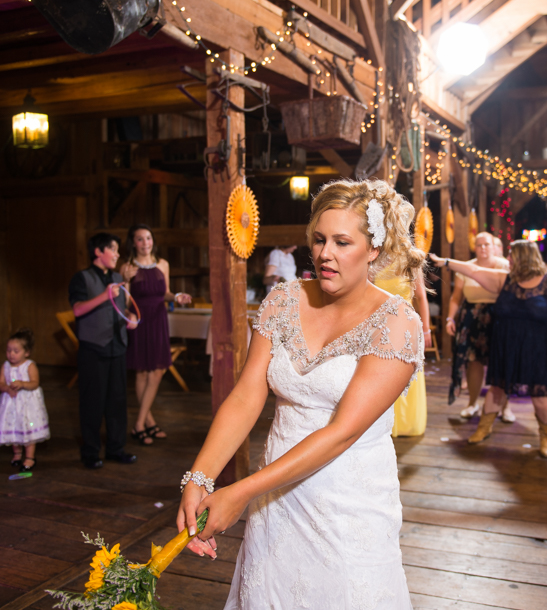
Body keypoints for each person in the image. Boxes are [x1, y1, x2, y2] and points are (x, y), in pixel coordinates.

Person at [177, 179, 423, 609]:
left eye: (342, 242)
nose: (325, 253)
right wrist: (200, 478)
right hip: (275, 496)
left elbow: (342, 432)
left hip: (348, 503)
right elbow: (246, 396)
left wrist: (240, 492)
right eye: (319, 239)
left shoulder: (397, 323)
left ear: (374, 251)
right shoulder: (283, 301)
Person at [432, 241, 547, 455]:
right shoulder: (505, 280)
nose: (508, 259)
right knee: (497, 389)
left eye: (513, 255)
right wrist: (445, 262)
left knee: (542, 397)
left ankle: (546, 436)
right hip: (508, 347)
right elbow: (473, 270)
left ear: (525, 258)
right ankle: (484, 428)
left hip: (542, 349)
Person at [68, 232, 139, 469]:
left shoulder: (118, 277)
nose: (117, 254)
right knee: (92, 402)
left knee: (117, 400)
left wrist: (130, 317)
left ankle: (116, 448)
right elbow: (77, 310)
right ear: (99, 252)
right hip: (93, 348)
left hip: (117, 346)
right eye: (114, 249)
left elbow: (122, 308)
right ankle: (90, 451)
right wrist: (104, 296)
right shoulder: (82, 278)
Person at [118, 225, 192, 445]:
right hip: (139, 319)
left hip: (159, 319)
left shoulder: (163, 264)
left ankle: (141, 422)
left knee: (158, 370)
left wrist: (176, 296)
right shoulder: (127, 267)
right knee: (142, 372)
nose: (145, 242)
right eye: (140, 239)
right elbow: (124, 300)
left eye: (148, 238)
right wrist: (126, 278)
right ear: (133, 243)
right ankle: (145, 422)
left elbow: (166, 292)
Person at [374, 199, 431, 438]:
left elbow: (421, 296)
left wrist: (426, 330)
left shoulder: (410, 256)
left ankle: (405, 422)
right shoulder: (373, 256)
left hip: (404, 324)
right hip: (376, 323)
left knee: (404, 372)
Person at [445, 232, 515, 422]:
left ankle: (505, 407)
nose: (483, 248)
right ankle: (472, 403)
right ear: (474, 247)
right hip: (472, 317)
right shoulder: (466, 267)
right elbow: (456, 296)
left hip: (499, 318)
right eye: (479, 245)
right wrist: (450, 318)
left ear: (494, 246)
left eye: (487, 244)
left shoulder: (505, 265)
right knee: (473, 363)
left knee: (501, 363)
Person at [0, 328, 49, 472]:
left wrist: (22, 384)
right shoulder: (6, 366)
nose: (11, 354)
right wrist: (7, 388)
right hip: (11, 404)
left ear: (26, 352)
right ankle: (17, 453)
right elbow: (0, 383)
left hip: (27, 405)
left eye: (16, 351)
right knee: (14, 428)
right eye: (8, 351)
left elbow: (35, 383)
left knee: (28, 429)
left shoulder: (29, 366)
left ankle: (30, 457)